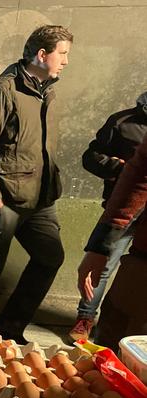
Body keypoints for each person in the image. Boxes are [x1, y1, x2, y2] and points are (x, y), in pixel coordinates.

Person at [0, 25, 73, 343]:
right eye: (62, 53)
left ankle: (9, 330)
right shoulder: (3, 91)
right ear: (42, 54)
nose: (66, 61)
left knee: (50, 257)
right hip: (5, 199)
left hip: (41, 200)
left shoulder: (48, 91)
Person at [68, 92, 147, 341]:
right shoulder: (122, 122)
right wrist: (121, 170)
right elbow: (93, 158)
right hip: (129, 215)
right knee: (106, 268)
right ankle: (85, 317)